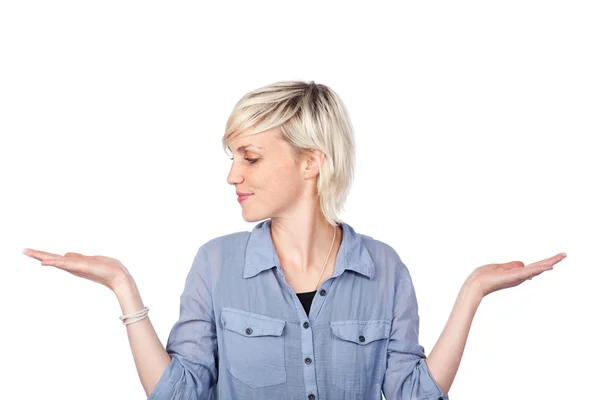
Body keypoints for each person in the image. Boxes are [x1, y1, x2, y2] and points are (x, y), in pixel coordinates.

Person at [22, 80, 567, 400]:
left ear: (312, 161)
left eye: (251, 157)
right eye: (231, 158)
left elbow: (413, 396)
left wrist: (472, 291)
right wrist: (123, 287)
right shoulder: (216, 264)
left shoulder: (384, 267)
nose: (232, 176)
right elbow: (181, 393)